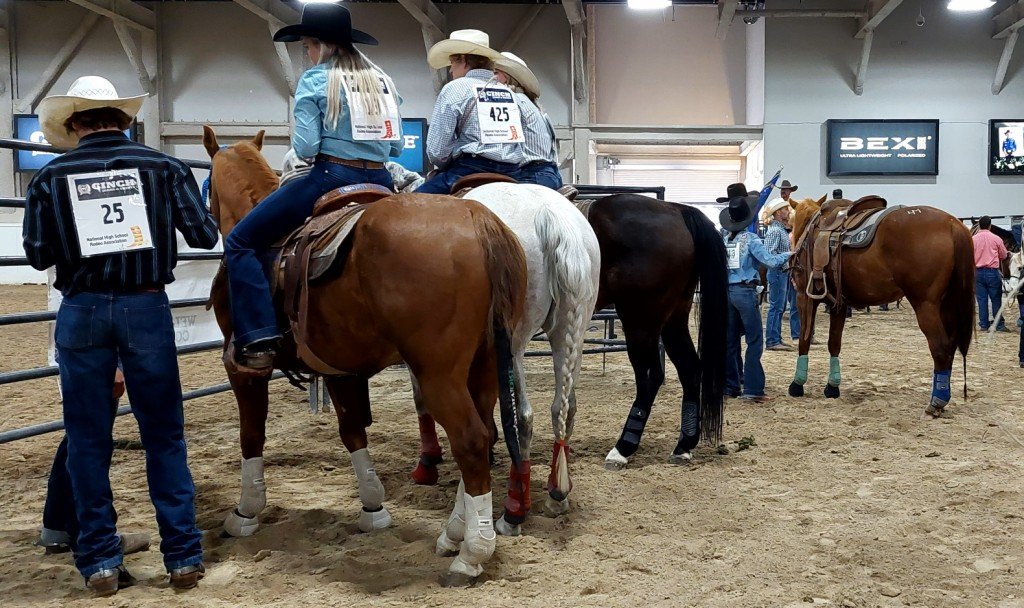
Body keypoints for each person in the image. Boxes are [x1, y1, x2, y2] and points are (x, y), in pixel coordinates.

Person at [23, 75, 217, 595]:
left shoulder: (49, 178)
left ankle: (100, 561)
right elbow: (203, 234)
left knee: (88, 439)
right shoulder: (164, 167)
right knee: (164, 435)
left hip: (82, 310)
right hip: (145, 307)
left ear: (73, 125)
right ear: (124, 121)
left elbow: (38, 253)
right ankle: (182, 557)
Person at [225, 4, 402, 371]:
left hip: (332, 176)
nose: (307, 52)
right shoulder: (382, 80)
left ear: (320, 45)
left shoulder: (316, 79)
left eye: (307, 45)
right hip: (382, 180)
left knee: (240, 241)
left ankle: (258, 337)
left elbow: (305, 148)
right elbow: (396, 146)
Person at [39, 367, 150, 559]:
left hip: (77, 349)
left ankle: (57, 526)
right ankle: (92, 534)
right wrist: (113, 365)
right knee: (91, 436)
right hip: (98, 351)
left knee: (81, 433)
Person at [416, 30, 532, 194]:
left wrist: (447, 162)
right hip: (511, 173)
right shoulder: (510, 94)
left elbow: (436, 152)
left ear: (463, 60)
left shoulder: (454, 89)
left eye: (452, 64)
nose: (450, 71)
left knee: (410, 204)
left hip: (470, 170)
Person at [718, 183, 792, 402]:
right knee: (754, 340)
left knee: (730, 341)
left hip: (727, 292)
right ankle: (753, 389)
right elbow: (769, 261)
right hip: (745, 291)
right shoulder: (750, 239)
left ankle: (730, 386)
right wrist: (789, 254)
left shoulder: (723, 239)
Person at [493, 52, 562, 189]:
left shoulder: (512, 101)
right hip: (550, 174)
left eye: (496, 73)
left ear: (506, 77)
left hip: (530, 175)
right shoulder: (533, 105)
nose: (492, 78)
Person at [761, 198, 800, 351]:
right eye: (785, 209)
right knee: (776, 307)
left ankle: (775, 338)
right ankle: (772, 340)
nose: (788, 211)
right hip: (778, 272)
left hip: (781, 272)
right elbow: (769, 256)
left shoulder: (779, 230)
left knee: (778, 307)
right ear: (778, 213)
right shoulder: (776, 231)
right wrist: (788, 255)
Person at [972, 216, 1009, 332]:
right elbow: (1003, 255)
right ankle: (999, 325)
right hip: (992, 272)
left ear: (979, 226)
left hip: (978, 273)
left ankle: (984, 324)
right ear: (990, 225)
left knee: (982, 300)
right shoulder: (996, 238)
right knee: (996, 299)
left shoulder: (973, 239)